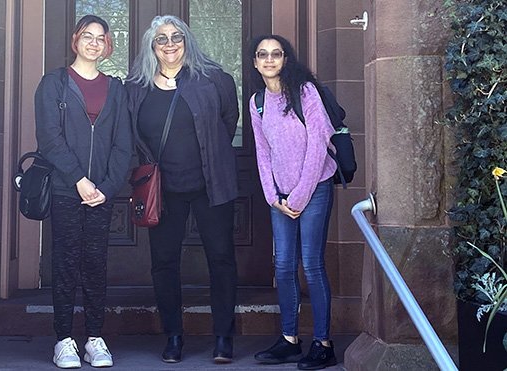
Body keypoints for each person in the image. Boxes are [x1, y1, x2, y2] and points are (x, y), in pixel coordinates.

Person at [125, 15, 239, 364]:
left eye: (177, 37)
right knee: (163, 262)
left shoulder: (214, 80)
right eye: (161, 39)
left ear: (187, 41)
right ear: (152, 46)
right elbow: (131, 136)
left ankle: (223, 338)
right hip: (163, 190)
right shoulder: (135, 88)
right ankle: (173, 336)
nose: (170, 43)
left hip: (211, 184)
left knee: (220, 259)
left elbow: (228, 121)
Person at [34, 15, 132, 369]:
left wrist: (106, 187)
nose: (94, 42)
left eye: (100, 38)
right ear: (75, 41)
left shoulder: (116, 89)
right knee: (64, 264)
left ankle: (94, 337)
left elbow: (124, 144)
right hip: (65, 189)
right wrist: (78, 179)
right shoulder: (54, 84)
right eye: (87, 36)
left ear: (108, 45)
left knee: (95, 264)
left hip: (101, 194)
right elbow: (49, 138)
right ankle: (63, 340)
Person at [248, 35, 338, 370]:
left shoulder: (305, 93)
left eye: (276, 54)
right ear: (255, 63)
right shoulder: (257, 102)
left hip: (313, 190)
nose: (269, 60)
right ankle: (289, 340)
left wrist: (298, 196)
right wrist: (274, 197)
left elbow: (318, 147)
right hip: (281, 199)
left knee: (311, 265)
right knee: (284, 267)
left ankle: (323, 343)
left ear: (286, 59)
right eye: (262, 55)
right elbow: (262, 152)